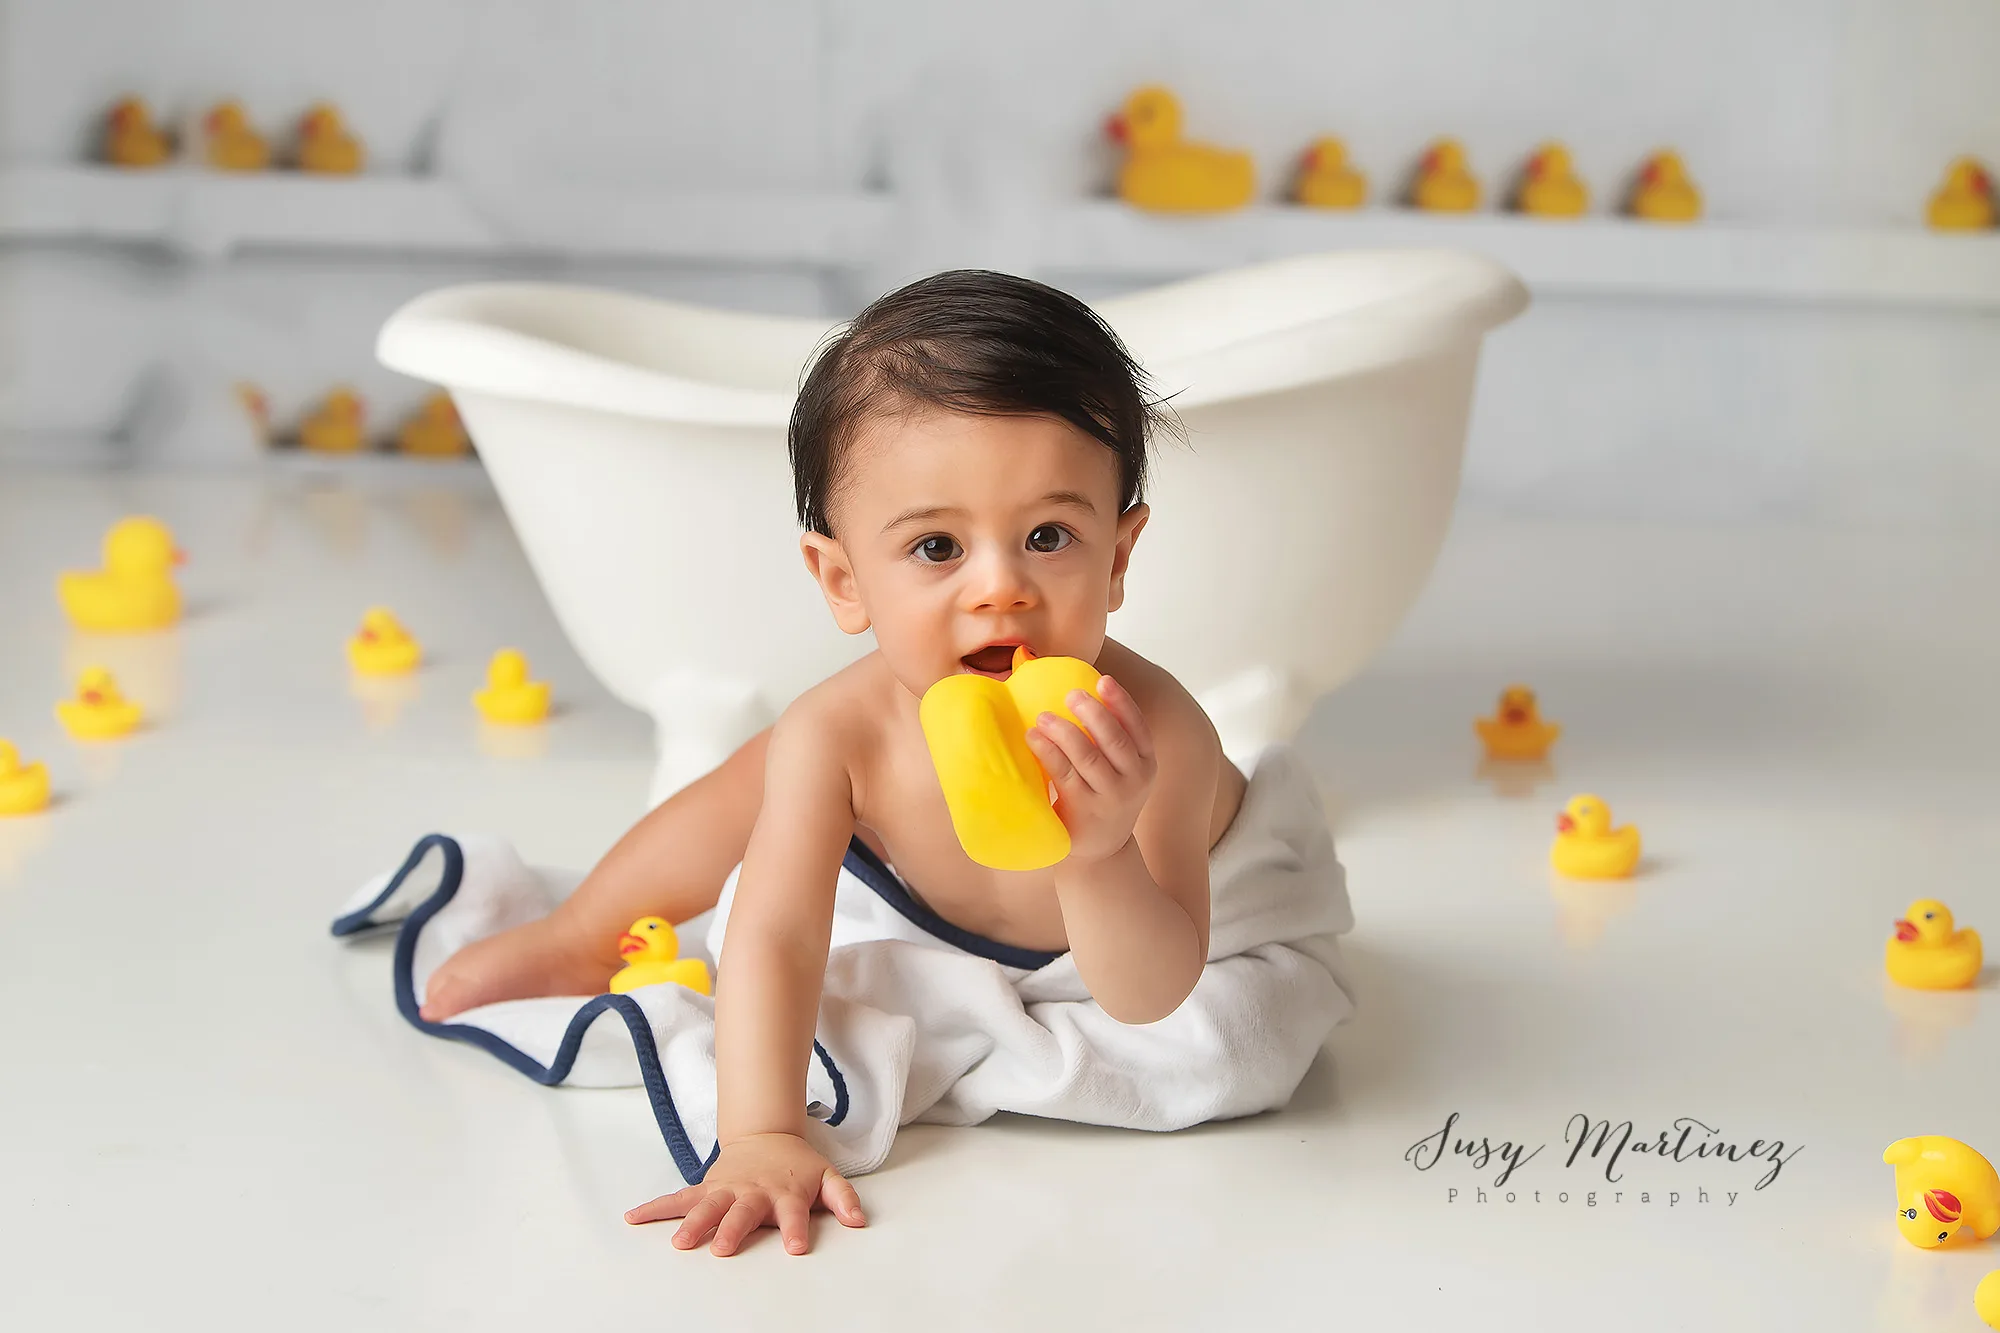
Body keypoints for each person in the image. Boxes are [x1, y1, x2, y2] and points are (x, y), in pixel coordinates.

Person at [420, 270, 1251, 1255]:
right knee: (771, 766)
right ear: (843, 580)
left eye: (1047, 537)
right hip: (906, 866)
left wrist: (1098, 851)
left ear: (1117, 557)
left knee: (806, 767)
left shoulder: (1153, 734)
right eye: (937, 546)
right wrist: (761, 1131)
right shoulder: (843, 730)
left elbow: (1149, 995)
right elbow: (772, 934)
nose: (999, 587)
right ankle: (580, 929)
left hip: (1136, 933)